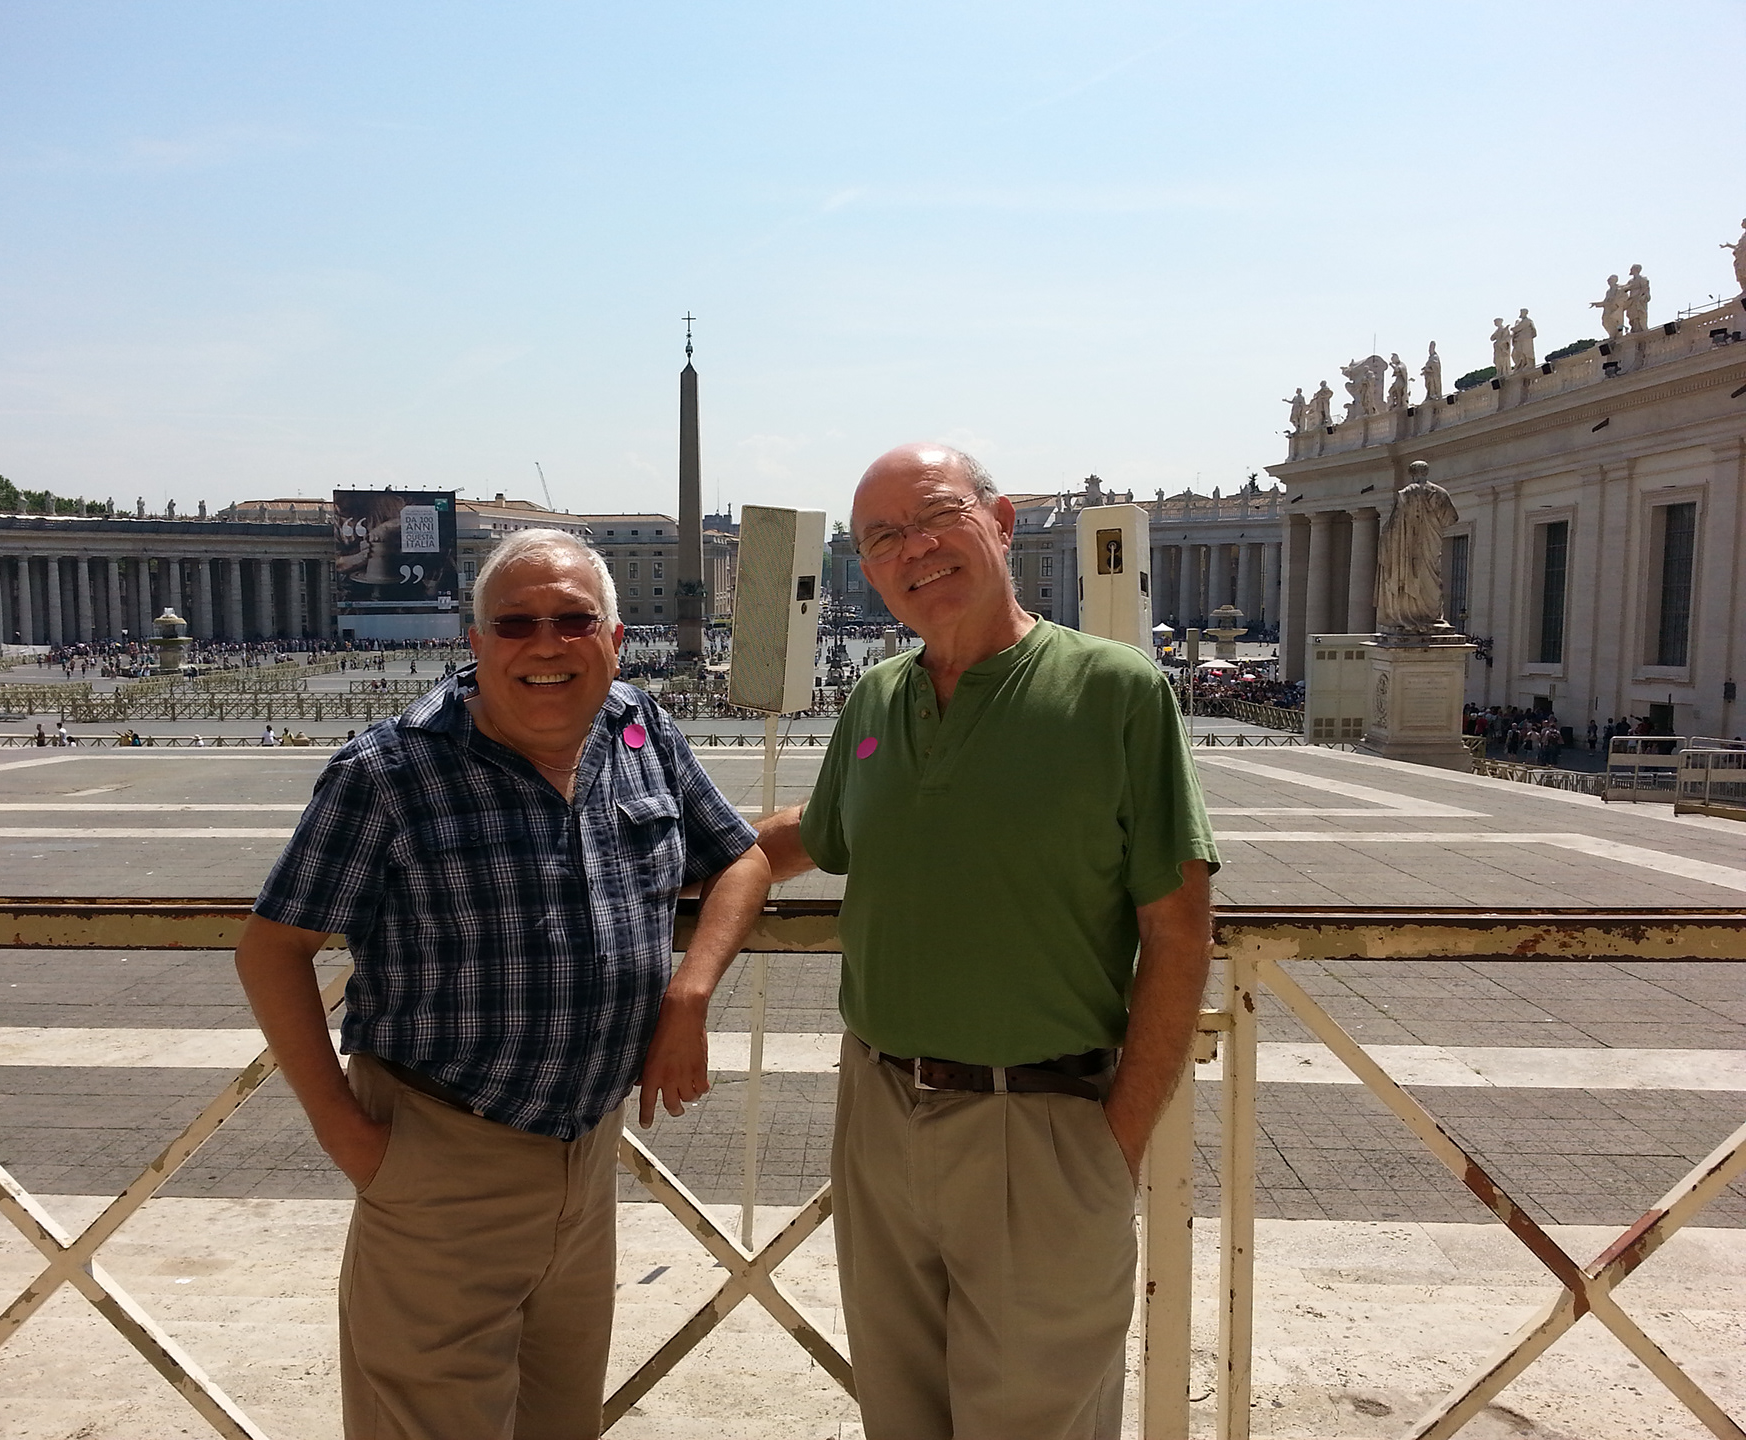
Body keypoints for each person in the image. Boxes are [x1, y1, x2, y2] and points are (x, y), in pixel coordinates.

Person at [236, 527, 770, 1440]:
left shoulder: (641, 731)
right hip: (442, 1157)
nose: (545, 643)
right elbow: (272, 948)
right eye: (515, 623)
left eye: (572, 620)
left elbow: (741, 860)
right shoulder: (389, 772)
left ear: (612, 636)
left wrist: (690, 991)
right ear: (475, 643)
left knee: (562, 1421)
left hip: (590, 1154)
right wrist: (352, 1140)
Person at [757, 443, 1218, 1439]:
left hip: (1042, 1120)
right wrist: (644, 849)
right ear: (867, 571)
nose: (915, 549)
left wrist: (1114, 1147)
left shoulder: (1116, 692)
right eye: (883, 539)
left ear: (999, 519)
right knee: (899, 1413)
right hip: (879, 1113)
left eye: (936, 516)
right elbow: (810, 835)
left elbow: (1179, 933)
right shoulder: (878, 697)